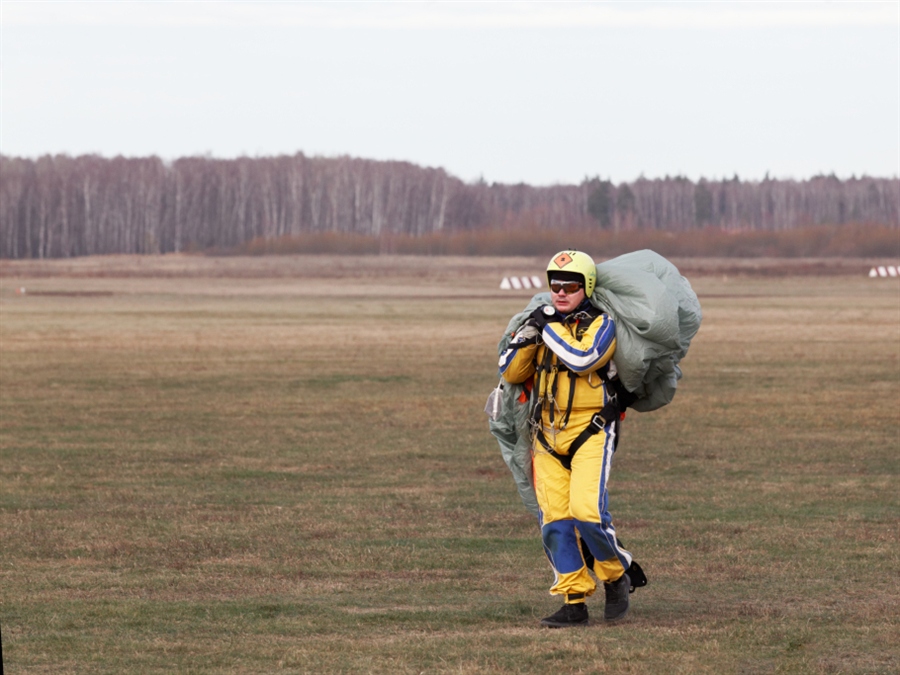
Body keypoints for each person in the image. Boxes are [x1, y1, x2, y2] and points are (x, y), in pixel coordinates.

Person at [498, 249, 633, 627]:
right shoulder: (541, 324)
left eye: (570, 286)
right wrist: (527, 334)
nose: (560, 293)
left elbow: (583, 358)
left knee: (587, 514)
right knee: (555, 521)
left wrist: (548, 327)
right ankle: (573, 601)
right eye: (554, 285)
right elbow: (509, 372)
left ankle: (615, 574)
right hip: (546, 435)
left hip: (591, 431)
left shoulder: (602, 324)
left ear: (586, 287)